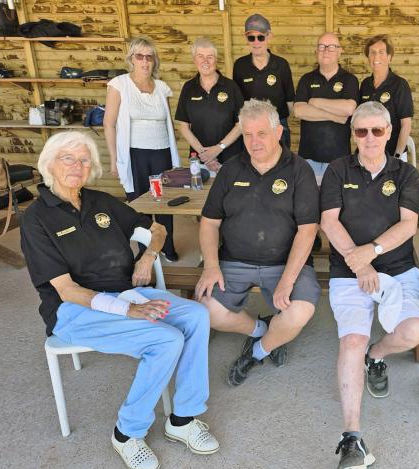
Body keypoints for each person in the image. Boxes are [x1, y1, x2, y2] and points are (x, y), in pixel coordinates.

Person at [20, 132, 217, 469]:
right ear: (49, 164)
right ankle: (127, 432)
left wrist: (147, 257)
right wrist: (128, 310)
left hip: (125, 291)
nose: (77, 166)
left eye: (84, 160)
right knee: (166, 339)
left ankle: (183, 418)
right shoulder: (36, 219)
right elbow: (66, 290)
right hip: (74, 310)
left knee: (197, 315)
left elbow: (156, 229)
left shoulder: (100, 201)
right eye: (68, 158)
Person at [320, 101, 419, 469]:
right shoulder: (337, 170)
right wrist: (360, 263)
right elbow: (329, 221)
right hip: (349, 270)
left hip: (397, 268)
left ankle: (376, 355)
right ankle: (352, 437)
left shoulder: (406, 173)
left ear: (389, 132)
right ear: (353, 134)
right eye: (361, 131)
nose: (369, 138)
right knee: (351, 340)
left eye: (377, 130)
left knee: (415, 330)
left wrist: (373, 252)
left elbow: (409, 225)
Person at [196, 99, 321, 387]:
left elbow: (307, 230)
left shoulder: (299, 169)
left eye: (262, 133)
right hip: (234, 260)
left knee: (300, 311)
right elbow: (210, 222)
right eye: (248, 134)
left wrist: (288, 280)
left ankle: (257, 352)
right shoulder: (230, 169)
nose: (254, 142)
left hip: (284, 262)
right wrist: (211, 266)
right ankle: (261, 329)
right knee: (205, 309)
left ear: (278, 132)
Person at [104, 37, 180, 262]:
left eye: (149, 57)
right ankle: (144, 249)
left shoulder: (162, 88)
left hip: (162, 151)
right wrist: (114, 159)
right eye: (140, 56)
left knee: (164, 200)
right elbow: (109, 123)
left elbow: (168, 123)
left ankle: (166, 245)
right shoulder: (119, 84)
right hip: (134, 153)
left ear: (154, 60)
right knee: (139, 202)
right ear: (132, 59)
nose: (145, 61)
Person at [294, 32, 358, 181]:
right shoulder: (306, 79)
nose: (326, 50)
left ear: (340, 51)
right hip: (308, 157)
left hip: (339, 158)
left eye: (331, 47)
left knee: (335, 196)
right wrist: (334, 116)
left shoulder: (350, 80)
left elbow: (349, 109)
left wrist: (315, 102)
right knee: (308, 195)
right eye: (322, 46)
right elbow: (299, 110)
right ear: (316, 51)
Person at [176, 37, 244, 173]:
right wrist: (205, 155)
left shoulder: (231, 86)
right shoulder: (188, 88)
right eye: (200, 56)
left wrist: (219, 148)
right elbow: (183, 126)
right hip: (200, 161)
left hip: (231, 159)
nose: (205, 61)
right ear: (194, 59)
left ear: (216, 60)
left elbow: (241, 124)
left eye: (210, 57)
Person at [233, 13, 295, 148]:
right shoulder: (240, 65)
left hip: (277, 125)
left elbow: (290, 101)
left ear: (269, 36)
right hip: (250, 128)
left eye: (260, 37)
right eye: (251, 38)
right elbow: (237, 102)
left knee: (281, 160)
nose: (256, 42)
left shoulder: (281, 65)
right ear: (246, 38)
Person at [359, 34, 413, 161]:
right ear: (368, 57)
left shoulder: (400, 85)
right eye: (372, 52)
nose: (376, 57)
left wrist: (397, 156)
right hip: (369, 152)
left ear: (389, 57)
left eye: (381, 52)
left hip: (393, 154)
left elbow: (406, 125)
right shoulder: (365, 84)